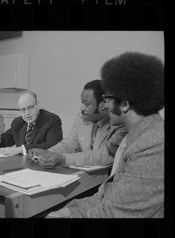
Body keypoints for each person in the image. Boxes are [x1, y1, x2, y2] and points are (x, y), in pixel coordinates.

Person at [46, 52, 164, 218]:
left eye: (107, 98)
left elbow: (113, 213)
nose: (105, 105)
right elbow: (108, 197)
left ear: (124, 104)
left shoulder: (153, 145)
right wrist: (68, 210)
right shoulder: (138, 136)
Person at [28, 80, 127, 168]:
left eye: (87, 104)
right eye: (82, 103)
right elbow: (69, 143)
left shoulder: (119, 123)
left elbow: (105, 156)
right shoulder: (81, 118)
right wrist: (48, 153)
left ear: (103, 105)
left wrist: (63, 159)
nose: (82, 108)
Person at [0, 92, 63, 156]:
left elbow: (53, 146)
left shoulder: (51, 120)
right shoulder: (17, 123)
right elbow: (7, 139)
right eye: (23, 109)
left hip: (44, 166)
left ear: (37, 105)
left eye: (30, 108)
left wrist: (21, 149)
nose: (27, 113)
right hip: (22, 166)